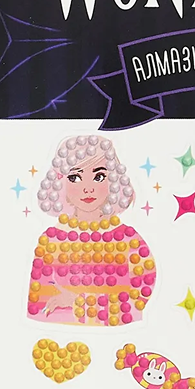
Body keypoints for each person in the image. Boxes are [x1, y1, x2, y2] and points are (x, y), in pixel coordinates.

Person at [27, 135, 156, 327]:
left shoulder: (129, 241)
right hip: (60, 338)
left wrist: (78, 301)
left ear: (114, 180)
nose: (88, 188)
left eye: (99, 177)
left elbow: (138, 305)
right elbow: (41, 311)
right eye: (75, 178)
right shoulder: (50, 241)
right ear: (60, 183)